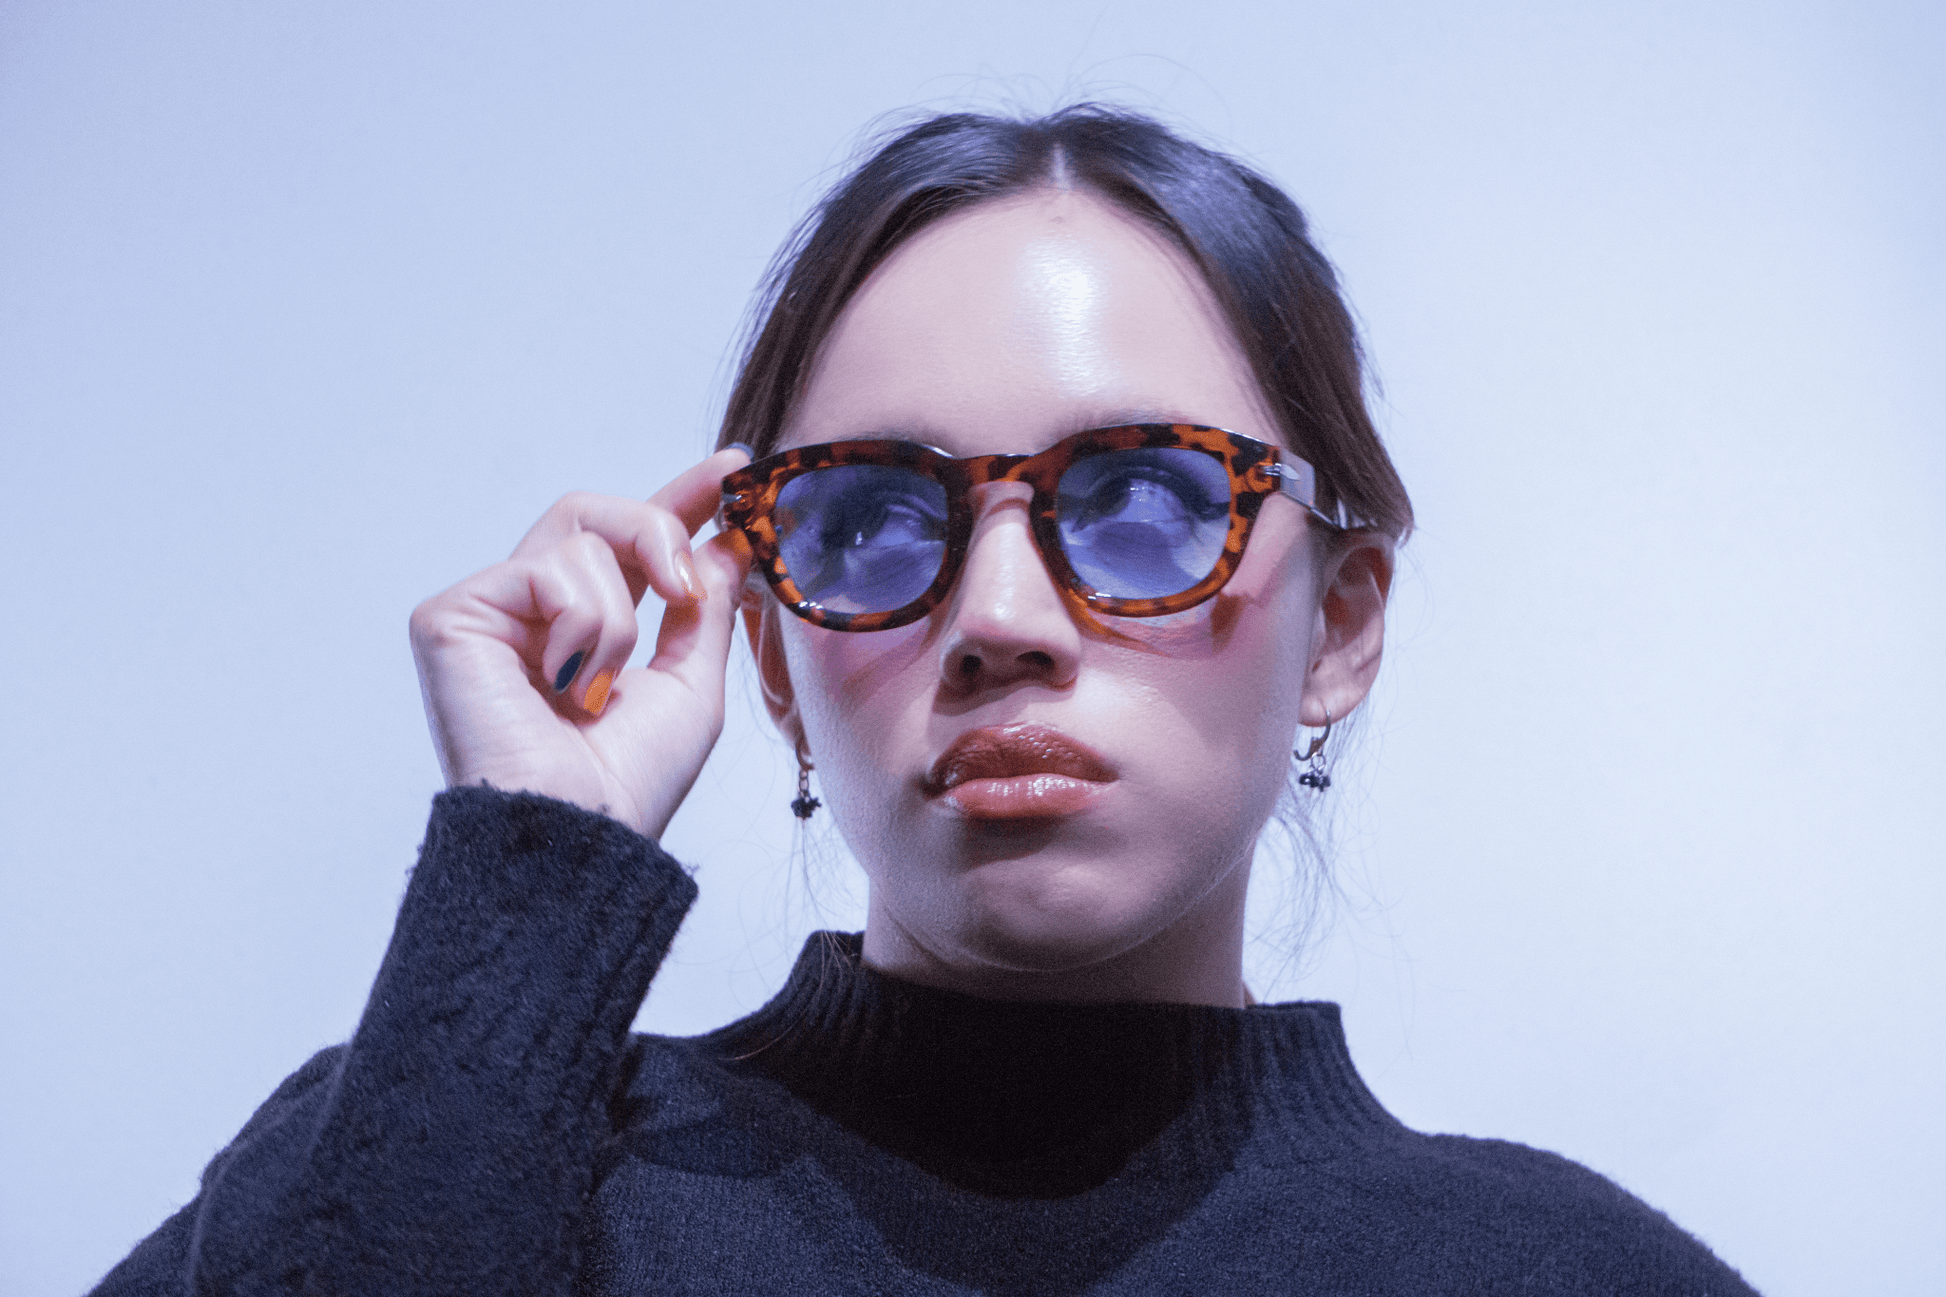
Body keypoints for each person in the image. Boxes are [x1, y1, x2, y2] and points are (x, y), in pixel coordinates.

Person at [93, 106, 1758, 1295]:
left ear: (1339, 621)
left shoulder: (1562, 1272)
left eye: (1143, 499)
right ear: (769, 658)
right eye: (872, 519)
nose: (1000, 619)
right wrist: (530, 871)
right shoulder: (439, 1149)